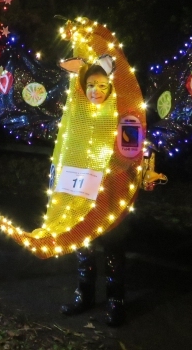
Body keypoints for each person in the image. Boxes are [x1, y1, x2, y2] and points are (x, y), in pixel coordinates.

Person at [60, 56, 128, 327]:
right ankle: (84, 295)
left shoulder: (123, 115)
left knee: (113, 247)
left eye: (102, 85)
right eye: (90, 85)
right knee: (84, 246)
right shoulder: (78, 114)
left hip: (112, 192)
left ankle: (116, 301)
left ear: (112, 87)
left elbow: (132, 153)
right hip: (82, 192)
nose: (95, 91)